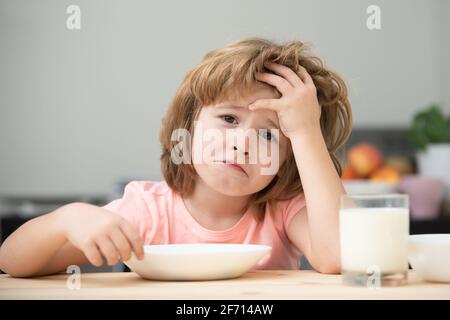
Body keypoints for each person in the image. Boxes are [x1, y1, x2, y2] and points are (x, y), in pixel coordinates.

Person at [0, 37, 352, 277]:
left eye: (268, 134)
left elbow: (338, 255)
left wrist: (306, 131)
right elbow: (13, 263)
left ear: (288, 160)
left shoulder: (284, 211)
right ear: (188, 127)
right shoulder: (148, 210)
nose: (243, 143)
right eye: (228, 119)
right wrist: (68, 219)